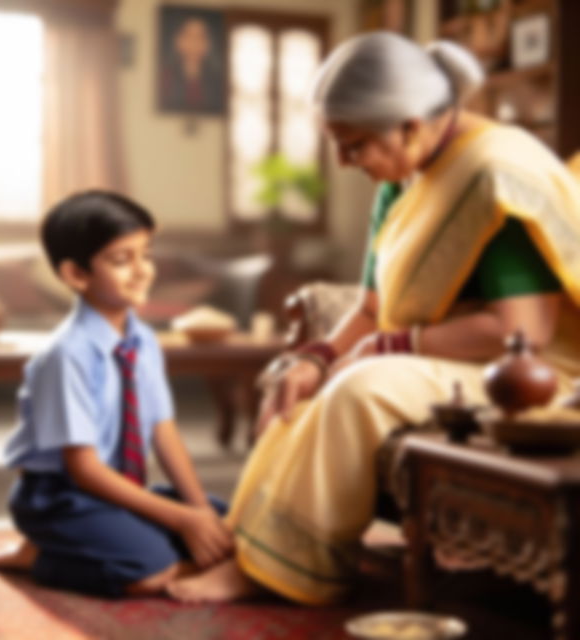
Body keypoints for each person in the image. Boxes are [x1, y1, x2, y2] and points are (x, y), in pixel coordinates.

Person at [167, 31, 580, 605]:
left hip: (531, 381)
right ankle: (245, 548)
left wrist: (390, 348)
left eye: (353, 144)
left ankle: (272, 571)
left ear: (410, 125)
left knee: (363, 387)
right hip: (451, 357)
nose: (342, 161)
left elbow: (522, 333)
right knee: (306, 386)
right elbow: (369, 308)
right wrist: (315, 356)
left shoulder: (493, 176)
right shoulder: (404, 173)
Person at [0, 190, 232, 597]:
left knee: (229, 521)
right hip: (58, 497)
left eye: (146, 254)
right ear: (76, 275)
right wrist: (182, 521)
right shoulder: (65, 356)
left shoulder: (144, 341)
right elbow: (83, 469)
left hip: (115, 488)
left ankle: (137, 548)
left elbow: (164, 434)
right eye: (122, 260)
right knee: (148, 572)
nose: (142, 271)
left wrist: (199, 513)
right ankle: (40, 556)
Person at [160, 15, 224, 114]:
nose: (195, 43)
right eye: (189, 36)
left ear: (208, 44)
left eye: (201, 37)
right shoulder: (166, 77)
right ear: (179, 41)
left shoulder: (217, 80)